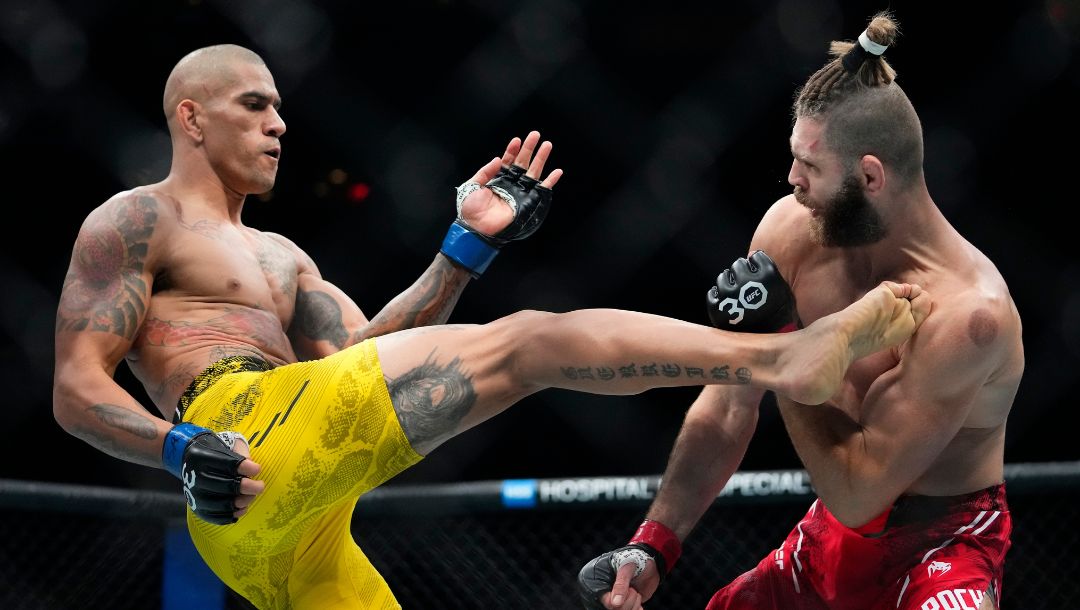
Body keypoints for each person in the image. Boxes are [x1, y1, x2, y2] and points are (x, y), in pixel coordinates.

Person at [52, 44, 927, 610]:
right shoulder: (137, 219)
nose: (279, 123)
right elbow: (74, 387)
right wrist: (178, 446)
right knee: (532, 343)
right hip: (231, 452)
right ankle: (783, 355)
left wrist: (464, 248)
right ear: (191, 116)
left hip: (295, 521)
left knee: (481, 356)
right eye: (253, 105)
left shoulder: (285, 259)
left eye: (279, 106)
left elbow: (365, 365)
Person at [577, 11, 1023, 610]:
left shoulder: (968, 315)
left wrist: (784, 342)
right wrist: (654, 544)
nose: (792, 180)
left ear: (870, 175)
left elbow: (859, 491)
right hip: (827, 540)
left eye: (810, 166)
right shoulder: (791, 233)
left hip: (938, 549)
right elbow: (728, 403)